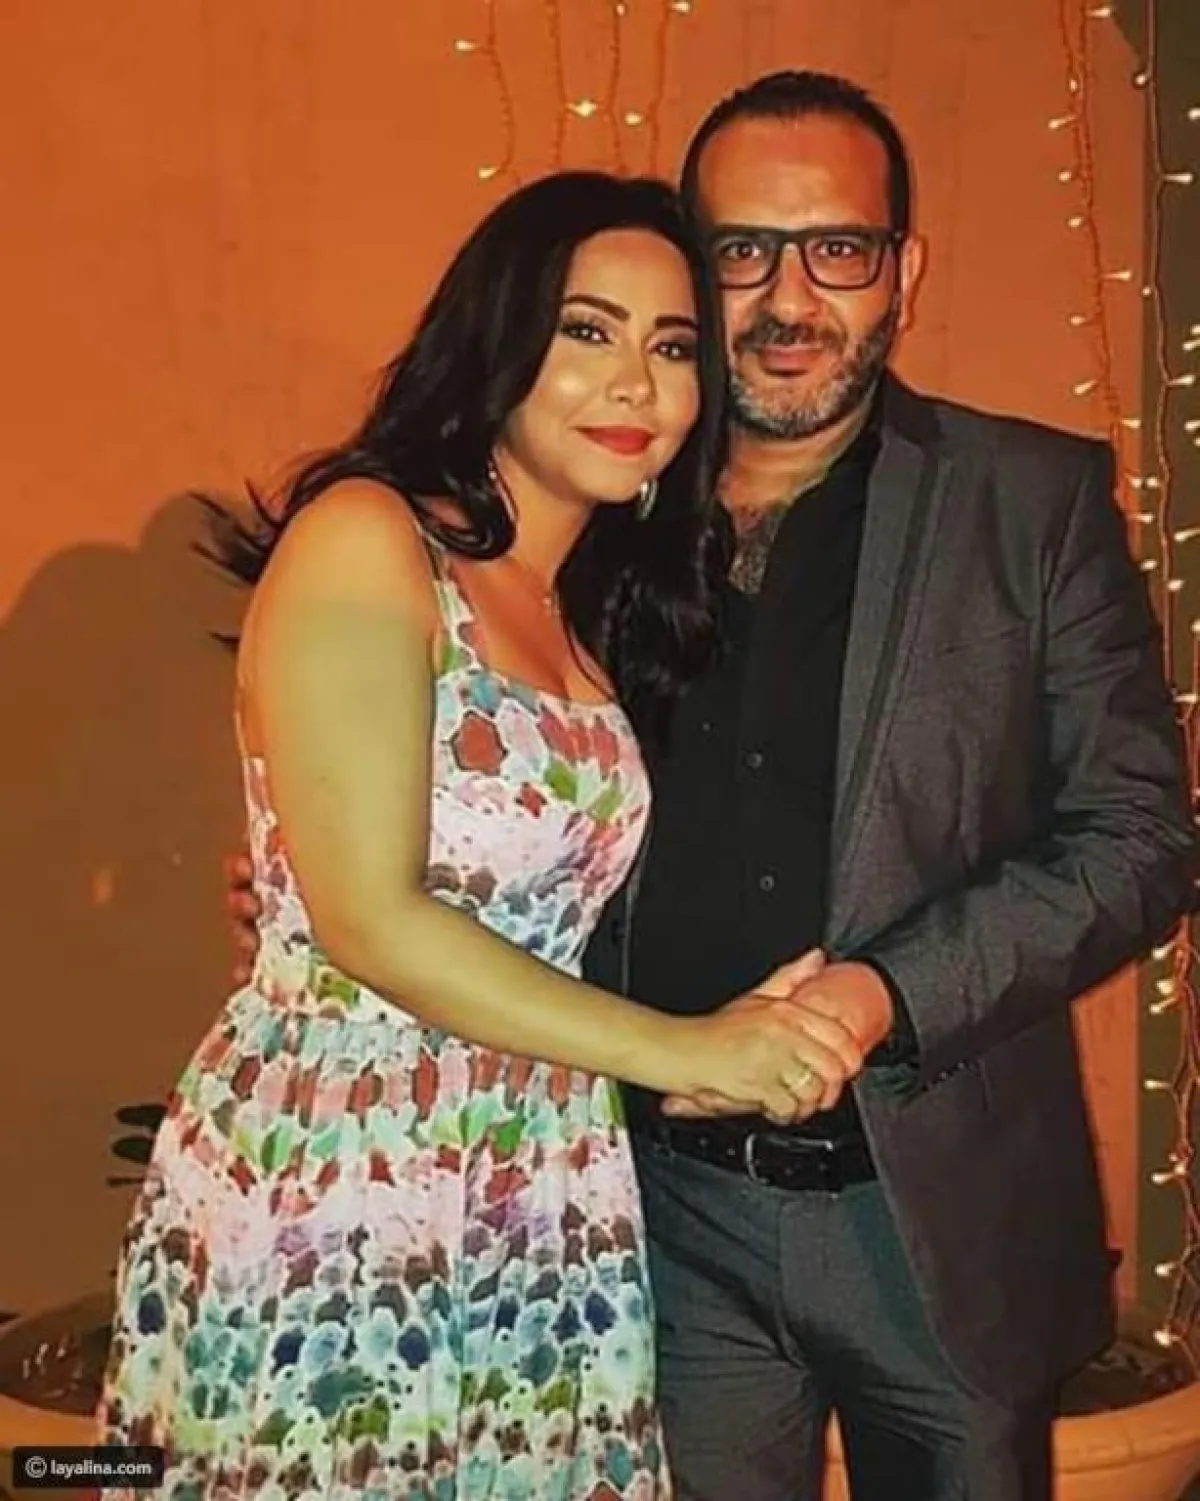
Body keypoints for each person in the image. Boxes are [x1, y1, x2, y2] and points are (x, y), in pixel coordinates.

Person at [226, 73, 1197, 1501]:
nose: (789, 297)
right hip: (640, 1208)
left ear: (903, 270)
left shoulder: (1028, 502)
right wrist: (312, 866)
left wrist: (880, 994)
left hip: (931, 1211)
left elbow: (1139, 838)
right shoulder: (589, 517)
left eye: (838, 249)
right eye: (743, 250)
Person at [99, 170, 872, 1501]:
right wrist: (690, 1049)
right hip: (348, 1167)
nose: (635, 384)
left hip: (540, 1168)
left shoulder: (583, 605)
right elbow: (368, 921)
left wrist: (711, 1044)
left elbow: (539, 904)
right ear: (498, 341)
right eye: (588, 331)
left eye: (672, 347)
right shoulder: (371, 535)